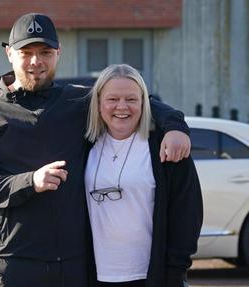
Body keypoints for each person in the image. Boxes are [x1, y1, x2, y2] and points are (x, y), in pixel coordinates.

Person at [0, 13, 191, 287]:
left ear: (58, 53)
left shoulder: (77, 101)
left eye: (45, 52)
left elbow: (132, 98)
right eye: (26, 52)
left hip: (74, 266)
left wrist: (175, 126)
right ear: (10, 54)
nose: (36, 61)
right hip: (13, 262)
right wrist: (30, 181)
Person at [84, 64, 203, 287]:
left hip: (150, 276)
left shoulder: (166, 148)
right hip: (93, 275)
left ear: (143, 103)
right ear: (99, 104)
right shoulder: (83, 145)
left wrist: (176, 272)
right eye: (112, 99)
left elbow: (187, 213)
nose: (122, 107)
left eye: (131, 99)